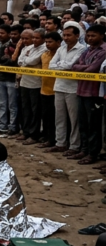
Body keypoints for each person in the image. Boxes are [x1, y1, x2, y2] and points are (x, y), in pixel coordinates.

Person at [72, 25, 106, 164]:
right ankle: (84, 150)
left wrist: (83, 68)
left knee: (94, 126)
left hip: (94, 93)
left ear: (102, 36)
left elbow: (92, 70)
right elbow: (74, 65)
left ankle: (93, 153)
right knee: (83, 123)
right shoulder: (88, 50)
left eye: (94, 36)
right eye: (88, 35)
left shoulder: (103, 51)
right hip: (81, 90)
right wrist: (83, 68)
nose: (90, 38)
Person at [49, 25, 86, 154]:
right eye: (64, 35)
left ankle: (74, 146)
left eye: (69, 35)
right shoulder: (61, 49)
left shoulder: (82, 49)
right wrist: (63, 66)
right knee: (59, 117)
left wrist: (61, 65)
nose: (66, 38)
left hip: (73, 88)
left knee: (74, 119)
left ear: (77, 35)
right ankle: (60, 143)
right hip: (59, 86)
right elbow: (51, 66)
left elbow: (72, 65)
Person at [17, 29, 48, 143]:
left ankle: (34, 135)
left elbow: (32, 61)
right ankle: (26, 132)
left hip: (36, 83)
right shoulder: (28, 48)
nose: (34, 40)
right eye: (33, 37)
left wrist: (26, 60)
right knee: (26, 109)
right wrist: (26, 60)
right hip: (25, 81)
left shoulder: (44, 48)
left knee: (35, 111)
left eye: (37, 38)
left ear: (43, 39)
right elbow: (20, 61)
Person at [0, 25, 22, 135]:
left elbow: (14, 62)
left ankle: (13, 126)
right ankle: (2, 125)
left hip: (12, 79)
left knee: (12, 105)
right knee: (2, 104)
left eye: (15, 34)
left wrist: (7, 59)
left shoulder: (21, 47)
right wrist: (6, 60)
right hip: (1, 77)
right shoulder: (5, 46)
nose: (13, 36)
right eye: (11, 34)